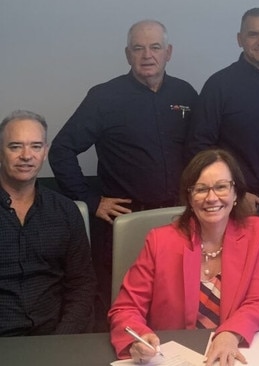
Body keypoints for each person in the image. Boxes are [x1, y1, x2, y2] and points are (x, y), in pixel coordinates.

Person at [48, 19, 198, 329]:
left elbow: (200, 153)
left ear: (168, 52)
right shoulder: (104, 97)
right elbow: (61, 150)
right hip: (127, 222)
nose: (147, 55)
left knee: (177, 305)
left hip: (178, 220)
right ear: (127, 54)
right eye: (138, 48)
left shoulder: (185, 93)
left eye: (155, 47)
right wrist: (90, 200)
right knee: (122, 308)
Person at [185, 8, 259, 323]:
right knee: (243, 286)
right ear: (240, 39)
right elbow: (199, 149)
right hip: (246, 206)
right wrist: (237, 196)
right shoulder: (220, 86)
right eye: (254, 34)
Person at [108, 149, 259, 365]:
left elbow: (258, 300)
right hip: (174, 357)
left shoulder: (256, 231)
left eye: (221, 187)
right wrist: (137, 339)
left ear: (236, 194)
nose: (211, 198)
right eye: (201, 189)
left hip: (228, 354)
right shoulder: (160, 240)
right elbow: (125, 308)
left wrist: (230, 334)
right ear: (189, 198)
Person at [0, 110, 95, 336]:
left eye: (35, 146)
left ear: (45, 152)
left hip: (54, 337)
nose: (26, 155)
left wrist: (62, 339)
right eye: (15, 146)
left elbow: (82, 285)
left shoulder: (66, 211)